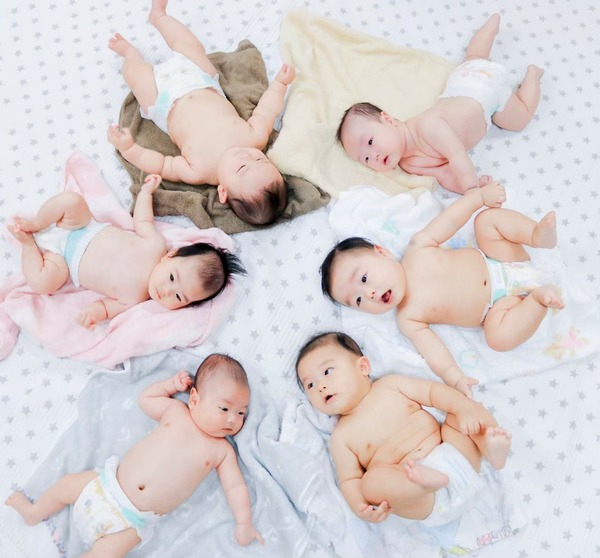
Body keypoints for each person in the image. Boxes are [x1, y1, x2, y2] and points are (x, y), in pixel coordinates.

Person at [320, 181, 564, 397]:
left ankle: (536, 235)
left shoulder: (418, 247)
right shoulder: (408, 318)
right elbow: (433, 350)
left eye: (364, 279)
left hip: (500, 258)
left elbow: (450, 220)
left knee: (486, 221)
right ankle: (537, 300)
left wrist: (478, 198)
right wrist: (454, 378)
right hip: (502, 306)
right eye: (358, 300)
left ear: (382, 253)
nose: (369, 294)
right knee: (497, 338)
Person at [5, 354, 263, 556]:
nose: (233, 419)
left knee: (106, 554)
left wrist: (244, 524)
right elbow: (146, 398)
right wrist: (170, 385)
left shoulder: (221, 451)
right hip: (104, 486)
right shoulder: (176, 411)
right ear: (194, 399)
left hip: (132, 522)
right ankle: (34, 511)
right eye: (224, 408)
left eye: (241, 413)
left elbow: (235, 487)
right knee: (66, 486)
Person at [107, 0, 296, 225]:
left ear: (223, 191)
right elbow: (267, 110)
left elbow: (162, 164)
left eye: (242, 167)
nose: (248, 156)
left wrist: (129, 149)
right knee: (190, 45)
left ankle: (130, 54)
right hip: (201, 79)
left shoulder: (199, 171)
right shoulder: (255, 138)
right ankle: (159, 17)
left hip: (162, 101)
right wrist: (280, 84)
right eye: (260, 159)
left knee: (136, 76)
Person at [295, 331, 512, 525]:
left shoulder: (391, 385)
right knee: (370, 483)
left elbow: (432, 393)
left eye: (327, 371)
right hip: (423, 501)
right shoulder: (341, 437)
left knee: (462, 410)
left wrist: (463, 408)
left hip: (456, 458)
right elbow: (349, 480)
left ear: (363, 367)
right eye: (310, 385)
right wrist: (361, 508)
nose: (320, 386)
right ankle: (423, 485)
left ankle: (492, 452)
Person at [336, 13, 544, 194]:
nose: (373, 155)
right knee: (474, 57)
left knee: (520, 118)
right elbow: (445, 175)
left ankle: (533, 75)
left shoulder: (426, 126)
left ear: (388, 120)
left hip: (484, 94)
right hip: (460, 83)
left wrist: (472, 190)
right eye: (365, 159)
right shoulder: (409, 164)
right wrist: (472, 187)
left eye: (370, 142)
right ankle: (492, 25)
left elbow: (457, 154)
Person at [7, 174, 244, 330]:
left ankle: (29, 244)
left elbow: (106, 307)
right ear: (170, 256)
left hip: (63, 261)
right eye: (172, 278)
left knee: (43, 283)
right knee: (72, 200)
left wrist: (93, 314)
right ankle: (37, 223)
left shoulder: (135, 299)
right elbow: (142, 220)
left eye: (179, 297)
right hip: (82, 227)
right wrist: (146, 194)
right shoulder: (155, 245)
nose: (166, 290)